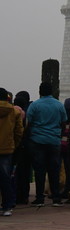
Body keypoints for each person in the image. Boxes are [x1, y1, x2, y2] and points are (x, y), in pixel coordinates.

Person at [26, 82, 70, 207]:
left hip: (37, 140)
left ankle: (40, 198)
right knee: (54, 170)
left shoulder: (35, 105)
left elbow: (28, 123)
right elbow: (63, 122)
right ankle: (56, 197)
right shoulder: (59, 105)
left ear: (40, 91)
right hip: (54, 141)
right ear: (51, 91)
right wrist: (57, 134)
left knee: (39, 170)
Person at [0, 88, 24, 216]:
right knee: (6, 179)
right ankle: (7, 207)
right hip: (7, 148)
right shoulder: (14, 111)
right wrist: (14, 144)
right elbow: (19, 131)